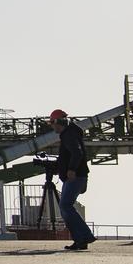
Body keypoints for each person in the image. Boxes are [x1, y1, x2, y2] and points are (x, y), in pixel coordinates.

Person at [48, 108, 96, 251]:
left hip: (75, 176)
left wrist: (71, 169)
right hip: (77, 175)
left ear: (58, 122)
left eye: (52, 123)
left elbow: (77, 152)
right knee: (65, 207)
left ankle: (84, 236)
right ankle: (80, 240)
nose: (51, 126)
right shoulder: (69, 133)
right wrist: (61, 167)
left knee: (65, 206)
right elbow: (71, 154)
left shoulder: (69, 135)